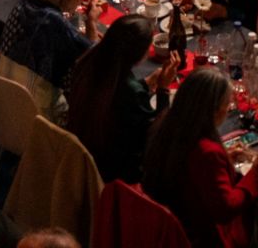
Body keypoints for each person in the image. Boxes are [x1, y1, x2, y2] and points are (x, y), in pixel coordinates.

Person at [143, 68, 258, 248]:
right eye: (227, 104)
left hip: (167, 224)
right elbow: (226, 209)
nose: (228, 109)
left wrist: (225, 158)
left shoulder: (166, 125)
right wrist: (255, 172)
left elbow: (189, 170)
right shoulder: (207, 152)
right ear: (214, 110)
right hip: (199, 236)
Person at [63, 15, 181, 185]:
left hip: (83, 152)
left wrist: (145, 84)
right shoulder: (131, 91)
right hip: (116, 173)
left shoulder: (91, 61)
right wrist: (163, 89)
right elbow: (157, 137)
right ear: (139, 54)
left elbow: (117, 95)